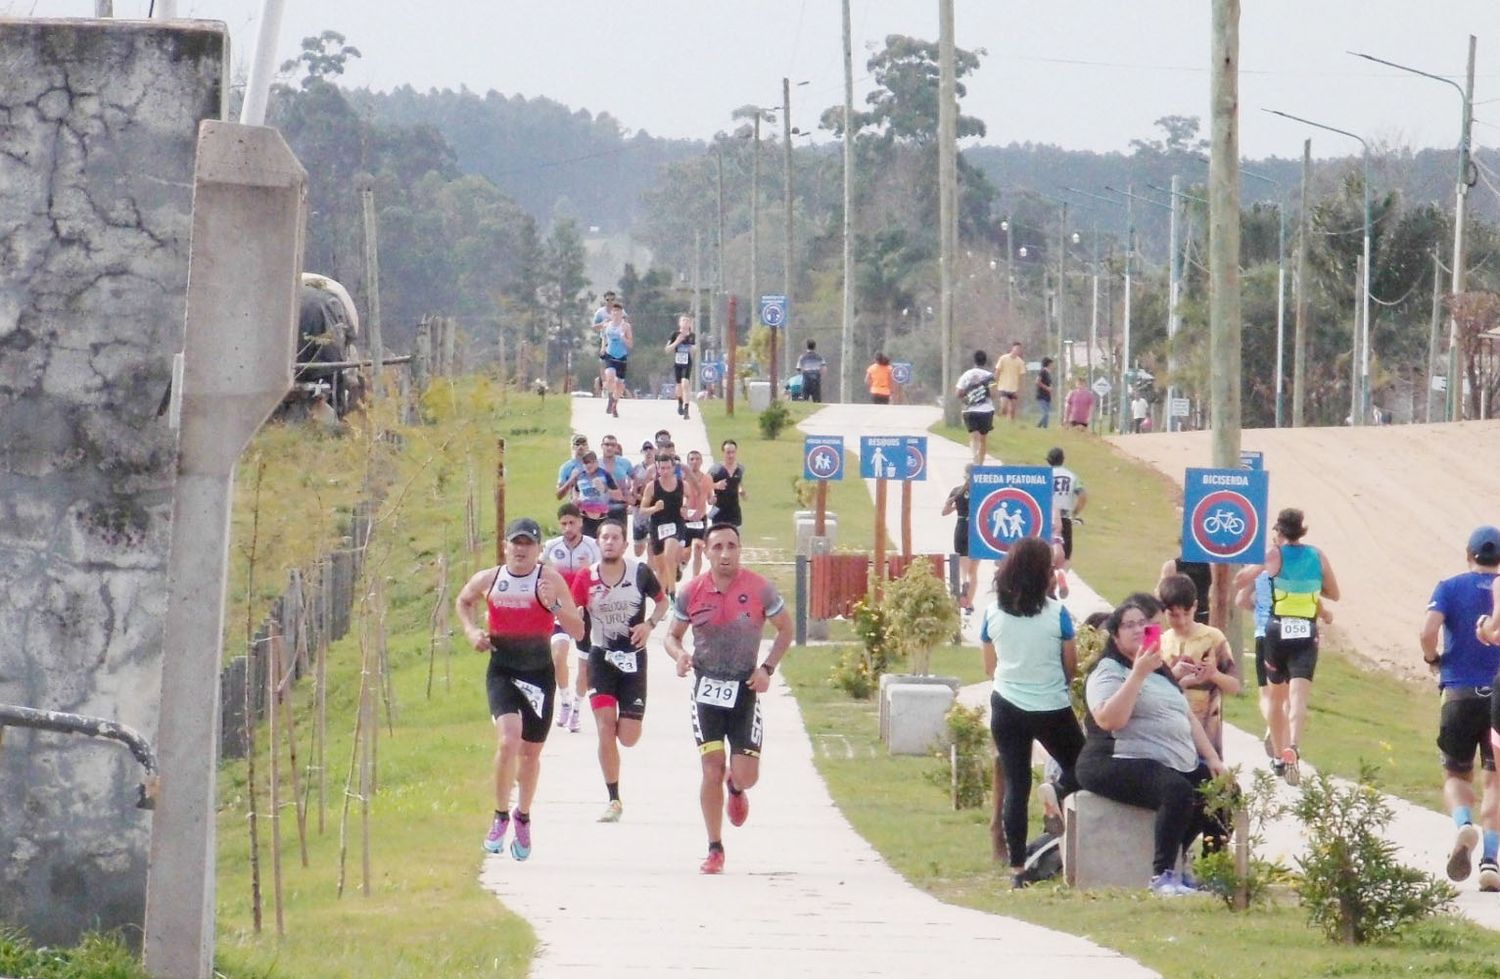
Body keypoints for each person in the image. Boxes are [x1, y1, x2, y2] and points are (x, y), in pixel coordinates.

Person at [1076, 600, 1229, 895]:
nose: (1137, 629)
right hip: (1113, 758)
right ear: (1115, 635)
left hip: (1162, 758)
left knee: (1221, 791)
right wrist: (1137, 674)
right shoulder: (1108, 671)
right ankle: (1162, 876)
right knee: (1176, 791)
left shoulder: (1158, 667)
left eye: (1143, 624)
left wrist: (1212, 758)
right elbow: (1110, 720)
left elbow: (1183, 713)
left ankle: (1211, 871)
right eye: (1129, 625)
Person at [665, 523, 794, 874]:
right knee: (710, 767)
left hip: (744, 689)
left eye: (731, 546)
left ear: (740, 549)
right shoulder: (691, 591)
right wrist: (679, 655)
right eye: (718, 547)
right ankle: (714, 847)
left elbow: (786, 628)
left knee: (745, 774)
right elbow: (672, 635)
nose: (725, 554)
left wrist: (767, 668)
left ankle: (736, 788)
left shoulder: (759, 589)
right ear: (705, 552)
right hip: (707, 688)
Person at [455, 517, 585, 860]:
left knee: (529, 755)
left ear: (539, 549)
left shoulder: (549, 579)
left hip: (539, 674)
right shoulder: (490, 579)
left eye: (528, 544)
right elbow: (463, 600)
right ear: (506, 546)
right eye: (516, 542)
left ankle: (522, 816)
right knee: (507, 740)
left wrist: (554, 606)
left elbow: (579, 630)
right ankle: (499, 816)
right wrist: (471, 632)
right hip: (502, 669)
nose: (521, 550)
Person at [980, 537, 1084, 889]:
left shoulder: (991, 613)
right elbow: (1072, 665)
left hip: (1007, 705)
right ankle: (1056, 791)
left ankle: (1017, 870)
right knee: (1083, 766)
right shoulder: (1058, 615)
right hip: (1051, 705)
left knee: (1016, 783)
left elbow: (988, 667)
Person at [570, 519, 670, 823]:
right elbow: (573, 615)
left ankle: (626, 727)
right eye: (604, 537)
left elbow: (663, 603)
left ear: (625, 544)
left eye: (615, 537)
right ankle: (613, 798)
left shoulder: (640, 573)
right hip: (601, 658)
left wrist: (649, 624)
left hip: (634, 659)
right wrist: (574, 625)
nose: (610, 542)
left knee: (627, 737)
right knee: (604, 728)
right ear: (598, 544)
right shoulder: (585, 578)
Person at [1421, 526, 1500, 889]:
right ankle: (1490, 863)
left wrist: (1432, 657)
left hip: (1458, 691)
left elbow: (1428, 629)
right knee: (1495, 780)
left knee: (1455, 775)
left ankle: (1464, 824)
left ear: (1469, 554)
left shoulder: (1449, 587)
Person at [1239, 508, 1340, 786]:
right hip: (1306, 629)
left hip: (1276, 629)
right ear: (1302, 530)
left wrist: (1262, 564)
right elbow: (1335, 593)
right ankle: (1293, 744)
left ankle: (1278, 758)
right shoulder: (1317, 555)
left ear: (1279, 531)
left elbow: (1242, 580)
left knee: (1274, 696)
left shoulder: (1275, 555)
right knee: (1298, 695)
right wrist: (1311, 586)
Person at [1157, 574, 1241, 756]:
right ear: (1163, 611)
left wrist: (1214, 675)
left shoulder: (1213, 638)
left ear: (1195, 606)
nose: (1181, 621)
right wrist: (1174, 674)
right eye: (1173, 615)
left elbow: (1235, 686)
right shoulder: (1161, 641)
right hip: (1168, 733)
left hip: (1207, 734)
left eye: (1186, 614)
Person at [541, 503, 603, 734]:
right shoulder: (551, 547)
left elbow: (602, 576)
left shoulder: (593, 546)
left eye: (572, 523)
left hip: (586, 612)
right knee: (558, 657)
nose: (568, 528)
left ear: (580, 522)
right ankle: (565, 700)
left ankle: (577, 707)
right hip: (559, 610)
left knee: (584, 665)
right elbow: (541, 572)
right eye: (564, 524)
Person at [639, 452, 687, 601]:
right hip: (658, 526)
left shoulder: (681, 484)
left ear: (673, 468)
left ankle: (672, 593)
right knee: (660, 568)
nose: (665, 471)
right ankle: (662, 600)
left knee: (669, 555)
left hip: (676, 524)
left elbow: (689, 498)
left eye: (668, 468)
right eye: (662, 468)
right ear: (657, 469)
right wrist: (654, 508)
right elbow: (642, 510)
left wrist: (685, 508)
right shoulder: (651, 487)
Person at [557, 450, 621, 539]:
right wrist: (575, 500)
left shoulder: (604, 474)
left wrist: (605, 489)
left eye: (591, 462)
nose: (588, 465)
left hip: (602, 517)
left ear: (596, 462)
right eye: (585, 463)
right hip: (585, 517)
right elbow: (576, 492)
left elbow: (619, 495)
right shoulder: (580, 476)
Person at [942, 465, 978, 615]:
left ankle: (964, 582)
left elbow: (945, 512)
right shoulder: (979, 492)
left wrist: (954, 505)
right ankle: (969, 602)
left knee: (963, 564)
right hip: (975, 529)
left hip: (961, 526)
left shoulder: (957, 491)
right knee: (974, 570)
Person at [1046, 447, 1087, 566]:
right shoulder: (1072, 476)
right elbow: (1083, 496)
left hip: (1046, 518)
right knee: (1066, 554)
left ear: (1048, 461)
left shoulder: (1044, 475)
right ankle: (1061, 578)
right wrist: (1075, 512)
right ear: (1063, 460)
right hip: (1064, 518)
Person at [955, 350, 996, 464]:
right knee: (983, 439)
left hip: (970, 410)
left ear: (974, 361)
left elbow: (958, 393)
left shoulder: (966, 375)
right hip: (986, 410)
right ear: (985, 361)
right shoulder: (989, 376)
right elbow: (993, 394)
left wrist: (970, 393)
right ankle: (980, 465)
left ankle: (974, 456)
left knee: (974, 437)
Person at [681, 449, 716, 579]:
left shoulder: (707, 478)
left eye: (697, 459)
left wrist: (713, 500)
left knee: (698, 549)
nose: (694, 462)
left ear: (701, 461)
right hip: (685, 519)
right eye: (692, 459)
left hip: (700, 518)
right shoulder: (682, 479)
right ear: (688, 462)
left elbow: (710, 498)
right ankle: (682, 564)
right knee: (686, 553)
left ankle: (695, 578)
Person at [1159, 549, 1212, 626]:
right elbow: (1160, 595)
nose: (1182, 622)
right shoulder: (1172, 566)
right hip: (1179, 611)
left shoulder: (1211, 566)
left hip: (1203, 615)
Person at [600, 301, 632, 418]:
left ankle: (614, 403)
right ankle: (609, 398)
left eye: (618, 312)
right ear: (611, 313)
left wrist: (623, 338)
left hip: (622, 357)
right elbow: (604, 338)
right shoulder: (607, 325)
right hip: (610, 355)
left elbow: (630, 344)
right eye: (614, 312)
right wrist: (603, 348)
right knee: (610, 378)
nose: (616, 314)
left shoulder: (626, 326)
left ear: (621, 314)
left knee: (619, 385)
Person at [708, 439, 747, 529]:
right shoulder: (715, 470)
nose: (731, 455)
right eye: (728, 452)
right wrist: (715, 486)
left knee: (734, 539)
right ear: (723, 453)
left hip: (734, 512)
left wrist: (742, 491)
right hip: (719, 511)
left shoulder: (740, 468)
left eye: (733, 452)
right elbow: (704, 484)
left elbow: (739, 481)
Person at [629, 441, 657, 559]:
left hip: (654, 509)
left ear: (655, 451)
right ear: (642, 452)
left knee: (652, 545)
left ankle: (649, 570)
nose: (648, 451)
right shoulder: (637, 468)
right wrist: (639, 498)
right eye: (645, 449)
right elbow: (632, 489)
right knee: (638, 551)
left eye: (650, 449)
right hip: (639, 509)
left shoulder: (660, 467)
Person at [665, 314, 696, 420]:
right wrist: (677, 342)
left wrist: (691, 347)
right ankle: (680, 402)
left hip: (687, 362)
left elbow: (694, 349)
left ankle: (687, 409)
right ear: (679, 323)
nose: (685, 323)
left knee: (685, 384)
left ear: (690, 324)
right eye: (683, 321)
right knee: (679, 385)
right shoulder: (674, 334)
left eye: (687, 321)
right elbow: (667, 349)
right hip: (678, 362)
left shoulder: (692, 336)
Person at [994, 340, 1025, 423]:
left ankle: (1011, 425)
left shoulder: (1020, 362)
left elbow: (1021, 376)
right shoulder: (1003, 358)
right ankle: (998, 419)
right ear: (1012, 348)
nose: (1017, 351)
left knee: (1013, 411)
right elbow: (997, 371)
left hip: (1014, 388)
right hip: (1003, 386)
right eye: (1016, 348)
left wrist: (1020, 389)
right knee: (1003, 407)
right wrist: (994, 383)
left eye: (1019, 349)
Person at [797, 339, 827, 403]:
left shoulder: (802, 357)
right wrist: (821, 376)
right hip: (816, 379)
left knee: (804, 399)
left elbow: (798, 369)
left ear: (807, 346)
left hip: (806, 378)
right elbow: (824, 369)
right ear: (815, 347)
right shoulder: (819, 357)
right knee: (816, 400)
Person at [1035, 357, 1054, 428]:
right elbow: (1037, 382)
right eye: (1051, 364)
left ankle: (1045, 428)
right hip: (1041, 396)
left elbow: (1050, 385)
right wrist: (1046, 388)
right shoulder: (1043, 371)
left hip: (1047, 397)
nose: (1052, 366)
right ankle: (1038, 426)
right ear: (1048, 364)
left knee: (1047, 414)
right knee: (1045, 413)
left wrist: (1050, 391)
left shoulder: (1048, 373)